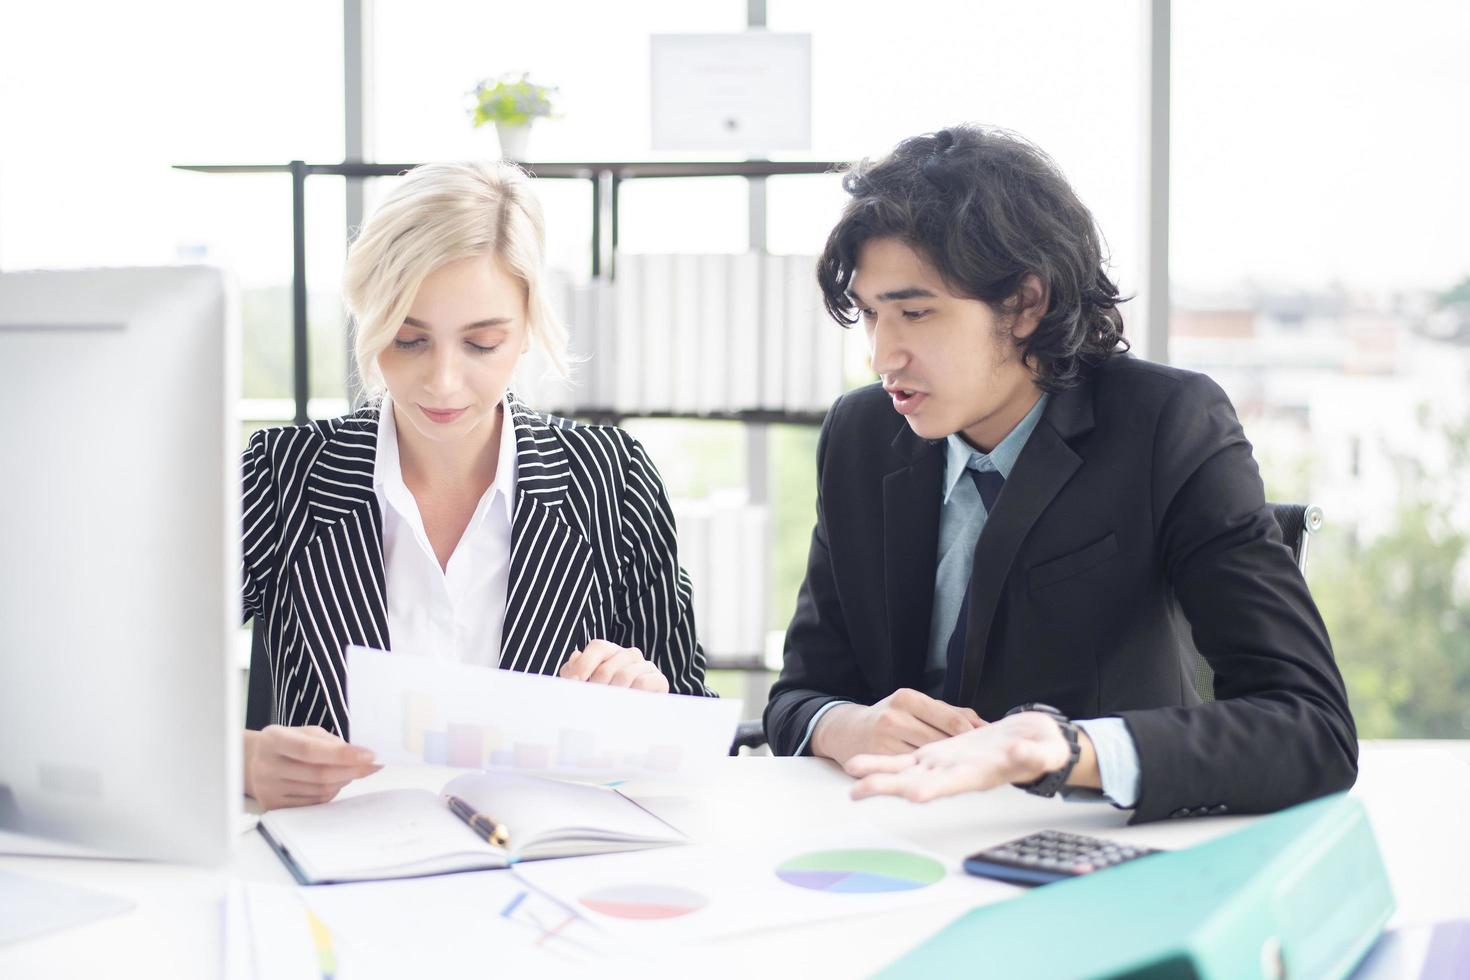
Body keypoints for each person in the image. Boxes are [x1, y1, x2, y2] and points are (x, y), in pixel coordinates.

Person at [764, 126, 1357, 823]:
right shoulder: (864, 435)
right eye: (869, 316)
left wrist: (1069, 751)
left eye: (916, 313)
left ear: (1024, 304)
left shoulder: (1168, 425)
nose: (882, 356)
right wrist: (845, 726)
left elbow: (1311, 726)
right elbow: (799, 696)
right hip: (901, 840)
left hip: (1092, 849)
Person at [240, 161, 709, 809]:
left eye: (482, 344)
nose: (443, 382)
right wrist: (235, 758)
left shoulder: (612, 477)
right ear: (368, 321)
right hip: (339, 871)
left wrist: (647, 696)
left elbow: (694, 713)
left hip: (546, 867)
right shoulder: (282, 473)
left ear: (527, 329)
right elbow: (137, 677)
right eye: (409, 340)